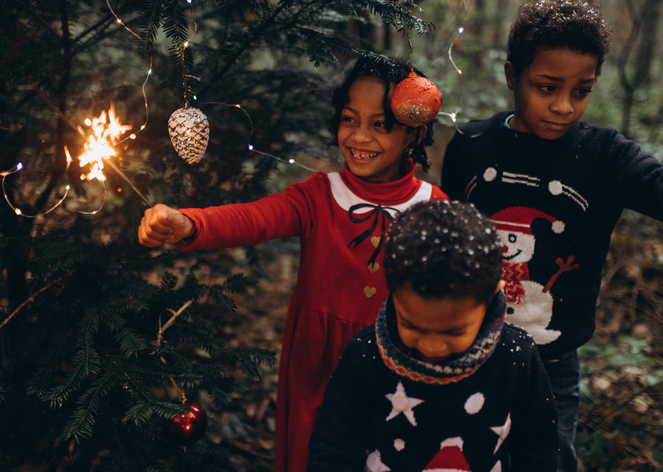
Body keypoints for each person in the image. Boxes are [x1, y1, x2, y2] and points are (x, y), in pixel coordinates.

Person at [441, 0, 663, 471]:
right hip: (466, 349)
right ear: (513, 76)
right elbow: (446, 241)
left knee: (546, 461)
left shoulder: (603, 156)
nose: (564, 106)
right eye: (547, 87)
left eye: (581, 90)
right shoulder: (470, 146)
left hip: (549, 365)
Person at [137, 57, 448, 472]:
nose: (358, 135)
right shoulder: (319, 195)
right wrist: (189, 222)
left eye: (380, 125)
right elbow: (254, 217)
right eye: (349, 119)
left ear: (415, 132)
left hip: (399, 361)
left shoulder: (435, 208)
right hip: (318, 360)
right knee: (310, 456)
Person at [307, 200, 558, 472]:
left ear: (492, 294)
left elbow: (537, 448)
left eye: (454, 331)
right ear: (392, 289)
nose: (432, 346)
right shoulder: (366, 354)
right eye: (412, 326)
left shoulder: (515, 355)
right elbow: (335, 448)